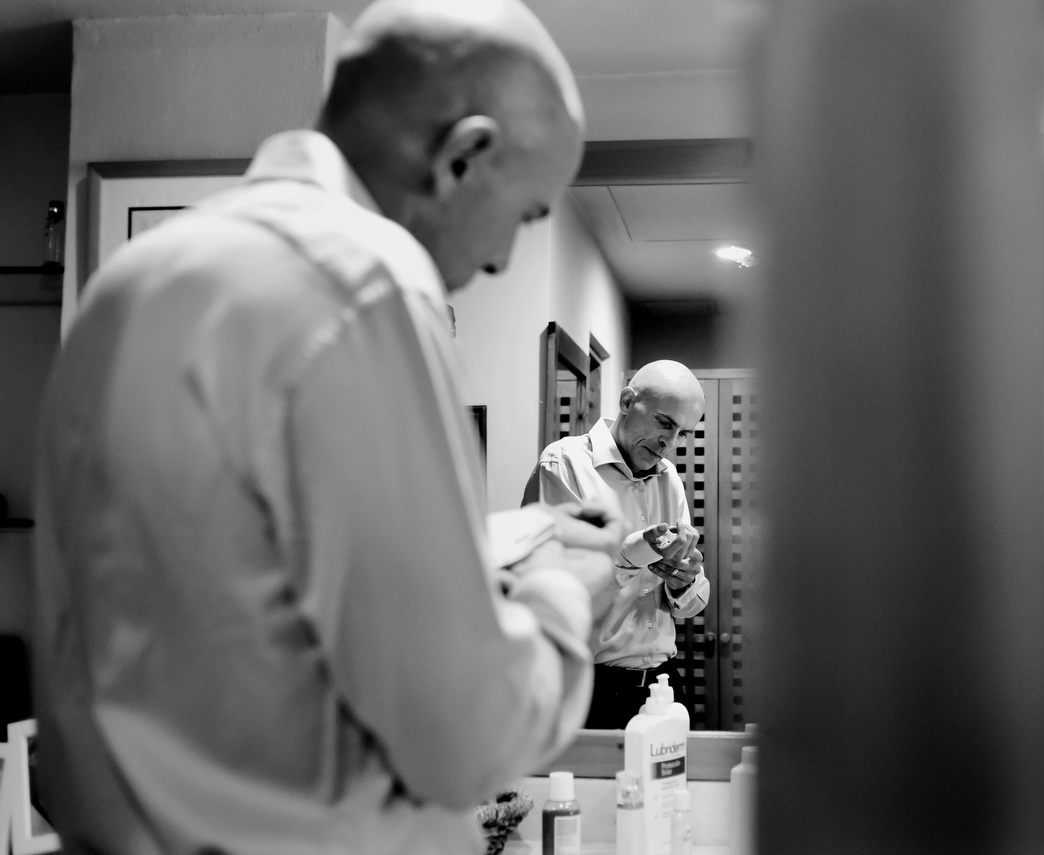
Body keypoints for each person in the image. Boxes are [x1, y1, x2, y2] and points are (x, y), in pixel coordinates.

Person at [30, 2, 623, 852]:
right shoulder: (365, 286)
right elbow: (466, 738)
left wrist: (512, 534)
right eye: (527, 215)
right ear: (464, 156)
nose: (500, 260)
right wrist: (570, 596)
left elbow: (233, 573)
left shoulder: (124, 287)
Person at [532, 360, 712, 727]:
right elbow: (554, 590)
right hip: (592, 692)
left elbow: (690, 607)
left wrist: (684, 582)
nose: (671, 443)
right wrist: (632, 554)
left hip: (663, 686)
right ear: (628, 402)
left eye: (684, 432)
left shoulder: (670, 480)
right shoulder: (564, 465)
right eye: (665, 423)